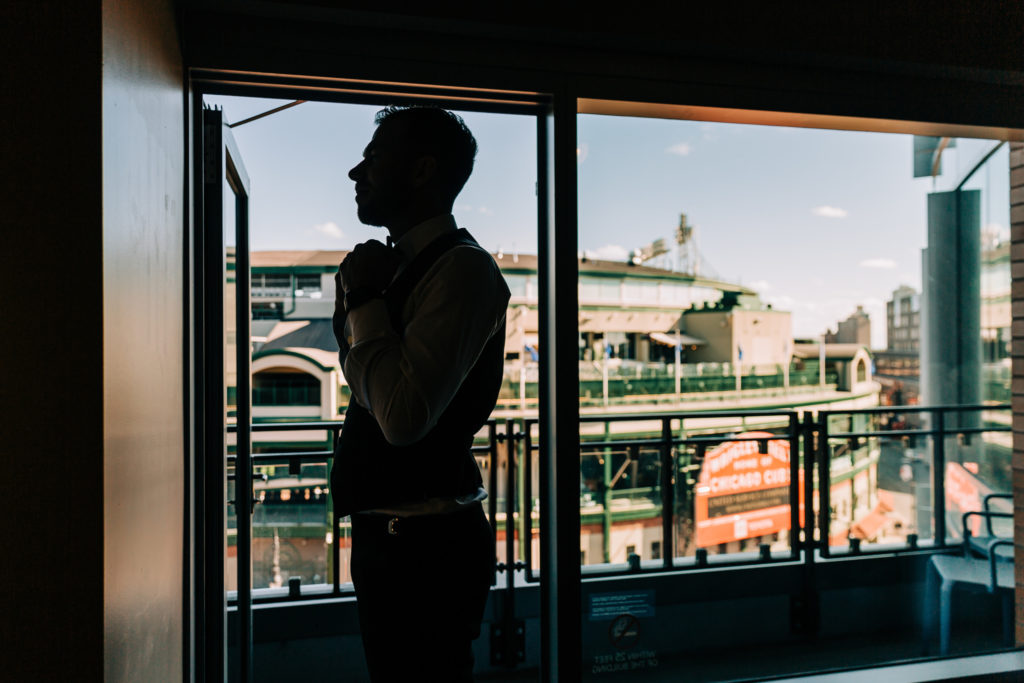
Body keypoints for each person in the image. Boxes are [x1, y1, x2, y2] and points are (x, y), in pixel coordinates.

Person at [330, 105, 510, 682]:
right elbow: (371, 384)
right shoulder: (393, 270)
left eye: (374, 158)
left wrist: (362, 300)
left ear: (421, 170)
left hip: (426, 549)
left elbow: (401, 417)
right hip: (396, 538)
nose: (356, 173)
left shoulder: (464, 271)